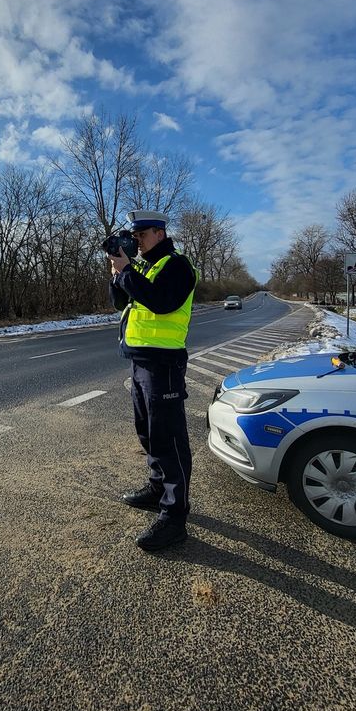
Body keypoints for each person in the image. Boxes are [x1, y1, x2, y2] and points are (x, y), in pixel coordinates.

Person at [108, 209, 199, 551]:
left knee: (169, 438)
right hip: (140, 361)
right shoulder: (142, 267)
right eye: (133, 236)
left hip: (165, 364)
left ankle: (175, 517)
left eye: (141, 235)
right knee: (147, 430)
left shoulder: (177, 266)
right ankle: (158, 487)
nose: (136, 241)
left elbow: (162, 303)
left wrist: (127, 272)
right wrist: (117, 273)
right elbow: (119, 303)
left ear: (160, 234)